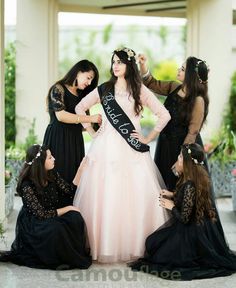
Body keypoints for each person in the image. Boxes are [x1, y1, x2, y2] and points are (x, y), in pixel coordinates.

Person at [73, 47, 171, 263]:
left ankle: (135, 246)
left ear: (130, 65)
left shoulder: (140, 90)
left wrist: (148, 137)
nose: (115, 65)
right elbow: (80, 108)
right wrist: (91, 131)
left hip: (132, 150)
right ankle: (105, 245)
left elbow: (164, 114)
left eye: (120, 62)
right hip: (105, 149)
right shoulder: (104, 89)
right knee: (106, 196)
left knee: (133, 197)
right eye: (114, 61)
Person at [129, 143, 236, 280]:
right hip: (198, 227)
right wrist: (173, 194)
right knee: (154, 242)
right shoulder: (196, 177)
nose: (178, 158)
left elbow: (185, 218)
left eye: (180, 156)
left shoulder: (190, 184)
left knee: (155, 247)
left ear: (187, 162)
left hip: (191, 233)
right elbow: (188, 199)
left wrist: (171, 205)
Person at [0, 144, 92, 270]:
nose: (54, 159)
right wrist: (67, 208)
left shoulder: (51, 174)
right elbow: (41, 214)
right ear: (40, 162)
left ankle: (69, 256)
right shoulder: (27, 185)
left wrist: (81, 169)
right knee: (56, 228)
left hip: (51, 213)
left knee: (75, 218)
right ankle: (54, 259)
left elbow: (69, 190)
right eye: (50, 157)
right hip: (34, 222)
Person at [138, 54, 209, 191]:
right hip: (165, 145)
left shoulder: (198, 100)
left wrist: (182, 159)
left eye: (182, 69)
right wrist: (143, 65)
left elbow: (192, 132)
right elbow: (151, 82)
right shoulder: (174, 86)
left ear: (190, 75)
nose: (179, 70)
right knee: (163, 184)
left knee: (179, 187)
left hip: (183, 147)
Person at [43, 60, 102, 208]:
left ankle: (70, 213)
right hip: (57, 138)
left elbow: (84, 124)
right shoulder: (58, 89)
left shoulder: (82, 95)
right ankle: (55, 214)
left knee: (75, 176)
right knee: (58, 175)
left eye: (92, 80)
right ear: (78, 71)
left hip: (75, 141)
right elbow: (61, 116)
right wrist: (90, 118)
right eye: (88, 77)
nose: (89, 82)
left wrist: (96, 131)